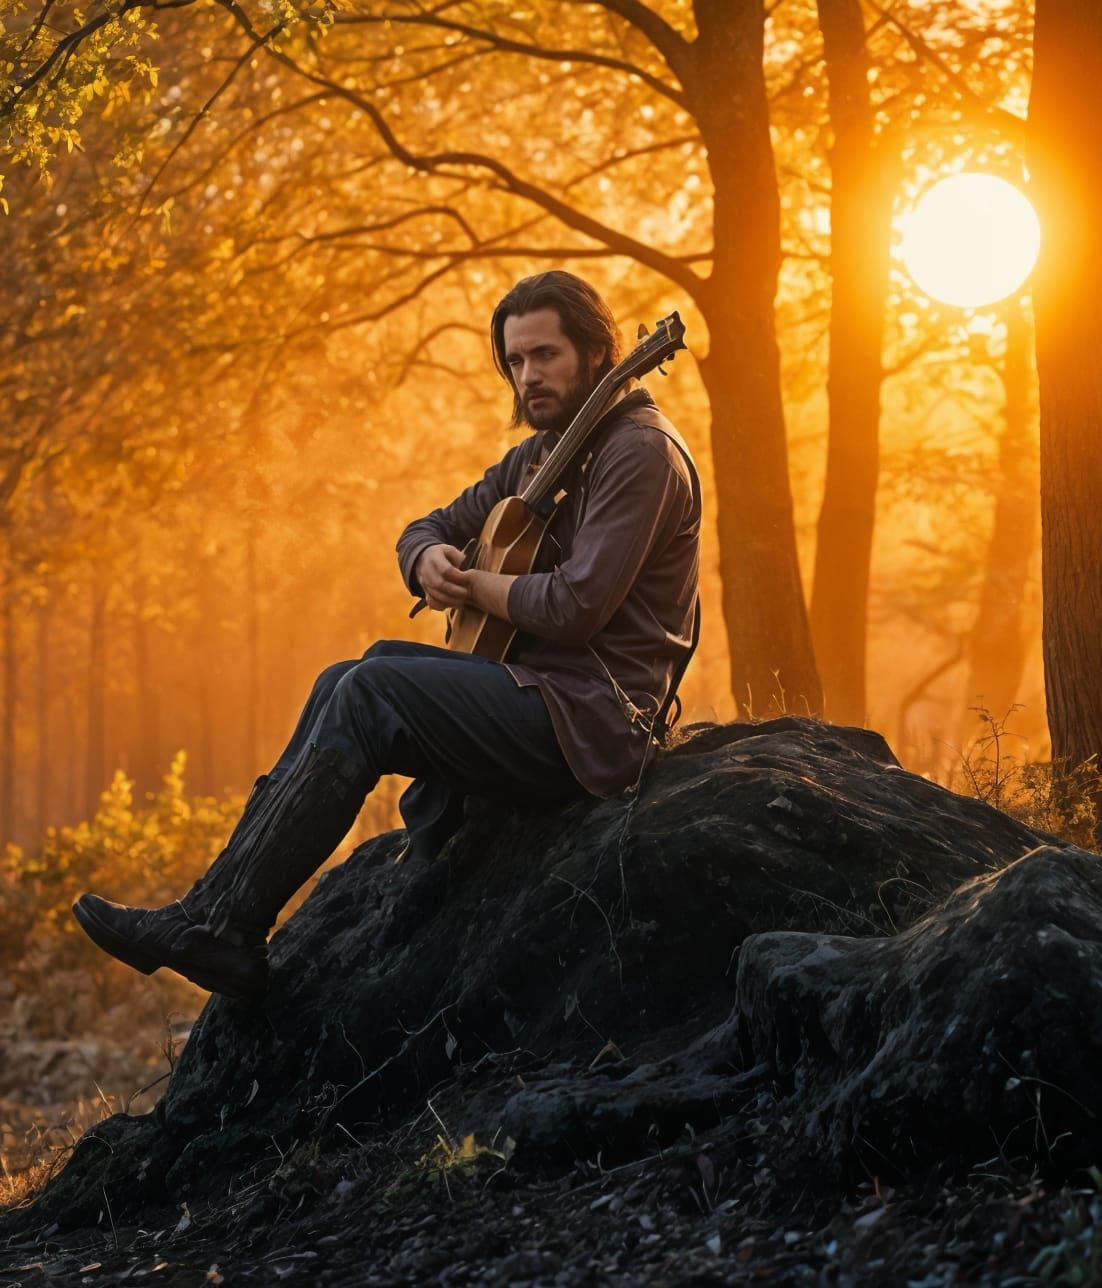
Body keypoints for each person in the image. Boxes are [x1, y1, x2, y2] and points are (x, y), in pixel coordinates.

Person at [72, 271, 701, 999]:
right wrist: (425, 560)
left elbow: (575, 608)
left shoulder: (640, 453)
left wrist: (475, 587)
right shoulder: (544, 452)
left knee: (374, 691)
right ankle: (219, 921)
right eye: (515, 362)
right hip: (536, 694)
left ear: (599, 353)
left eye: (545, 356)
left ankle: (220, 926)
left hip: (593, 721)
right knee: (348, 674)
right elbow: (429, 526)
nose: (528, 376)